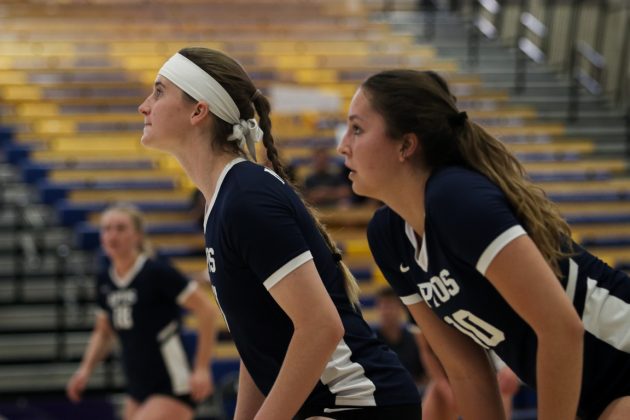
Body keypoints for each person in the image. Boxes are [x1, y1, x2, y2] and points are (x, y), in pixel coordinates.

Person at [137, 48, 421, 420]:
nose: (145, 106)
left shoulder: (246, 197)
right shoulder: (222, 200)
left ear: (198, 111)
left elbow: (321, 327)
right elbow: (257, 344)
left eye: (159, 91)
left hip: (361, 402)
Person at [337, 69, 630, 419]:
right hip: (593, 393)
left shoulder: (455, 198)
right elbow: (467, 372)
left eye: (357, 129)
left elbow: (561, 329)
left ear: (405, 144)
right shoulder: (387, 237)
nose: (343, 145)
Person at [66, 203, 217, 420]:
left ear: (137, 236)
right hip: (137, 386)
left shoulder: (156, 272)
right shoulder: (104, 279)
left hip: (172, 383)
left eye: (120, 228)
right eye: (106, 229)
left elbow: (207, 311)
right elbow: (103, 331)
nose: (112, 235)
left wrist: (202, 368)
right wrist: (85, 370)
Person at [373, 286, 426, 388]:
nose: (385, 311)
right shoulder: (370, 339)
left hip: (413, 391)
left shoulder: (415, 338)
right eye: (382, 306)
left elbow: (425, 376)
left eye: (389, 305)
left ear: (400, 308)